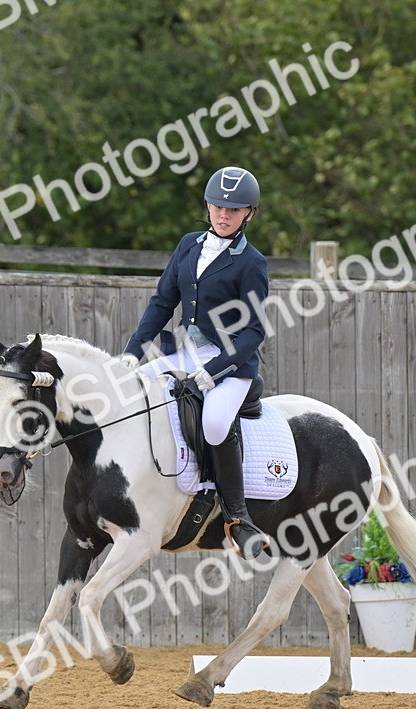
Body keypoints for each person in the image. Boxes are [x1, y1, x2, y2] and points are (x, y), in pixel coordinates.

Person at [119, 166, 270, 559]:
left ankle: (238, 518)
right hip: (182, 352)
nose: (223, 215)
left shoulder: (252, 262)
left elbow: (254, 332)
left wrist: (214, 371)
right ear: (206, 204)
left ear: (249, 214)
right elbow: (162, 302)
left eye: (233, 210)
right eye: (217, 206)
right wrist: (134, 352)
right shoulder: (189, 244)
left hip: (230, 363)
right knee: (131, 395)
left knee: (215, 424)